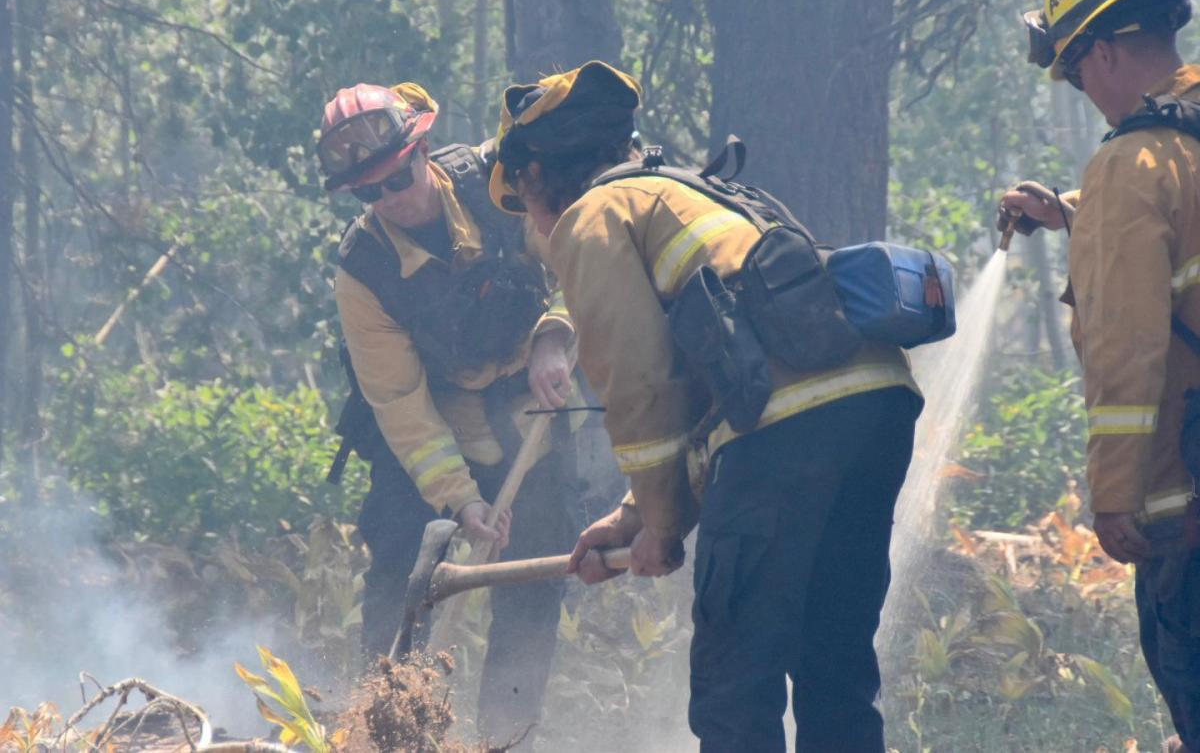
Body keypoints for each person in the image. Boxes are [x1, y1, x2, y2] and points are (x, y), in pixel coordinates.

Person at [487, 60, 923, 752]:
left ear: (537, 175)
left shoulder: (593, 217)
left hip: (789, 426)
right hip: (871, 405)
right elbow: (715, 392)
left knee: (734, 691)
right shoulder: (691, 194)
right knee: (832, 668)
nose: (533, 224)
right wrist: (637, 516)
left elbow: (639, 381)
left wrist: (662, 524)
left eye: (522, 201)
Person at [315, 80, 578, 741]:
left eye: (398, 177)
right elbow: (402, 404)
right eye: (369, 192)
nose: (391, 199)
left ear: (422, 148)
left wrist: (556, 336)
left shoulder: (500, 187)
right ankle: (391, 734)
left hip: (528, 413)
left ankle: (503, 738)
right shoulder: (362, 271)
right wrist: (461, 503)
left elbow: (586, 260)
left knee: (533, 586)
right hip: (428, 433)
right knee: (403, 583)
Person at [1002, 0, 1200, 753]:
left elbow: (1126, 346)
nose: (1086, 96)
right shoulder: (1172, 149)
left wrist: (1117, 495)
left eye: (1078, 75)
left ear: (1105, 54)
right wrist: (1075, 212)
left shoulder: (1130, 163)